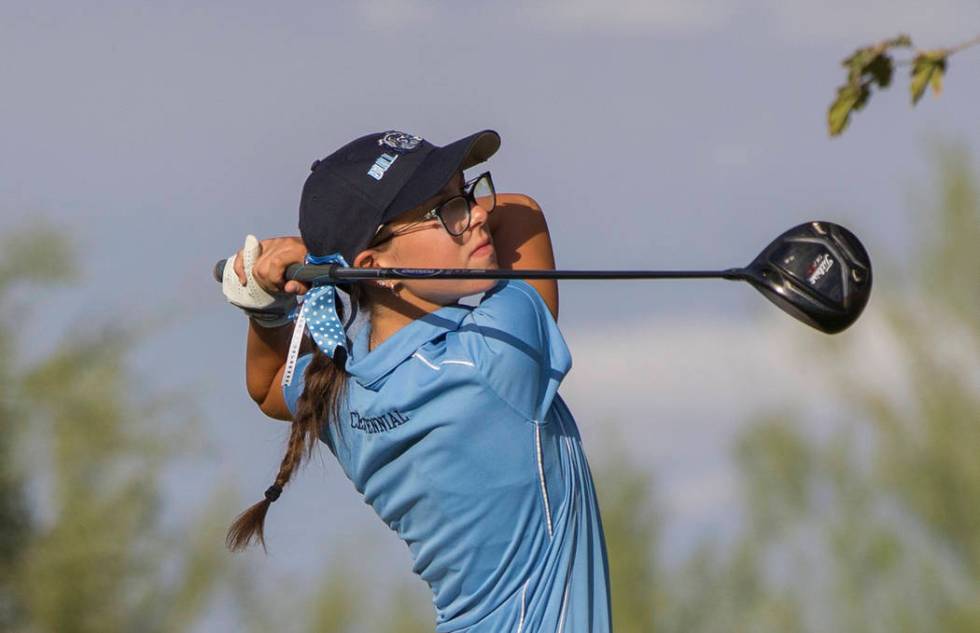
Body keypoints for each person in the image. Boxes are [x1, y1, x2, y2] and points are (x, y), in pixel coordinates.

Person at [221, 130, 611, 632]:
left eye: (467, 194)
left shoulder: (340, 381)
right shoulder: (492, 356)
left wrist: (271, 302)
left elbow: (270, 384)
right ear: (376, 268)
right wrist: (316, 259)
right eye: (445, 210)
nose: (477, 214)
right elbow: (522, 211)